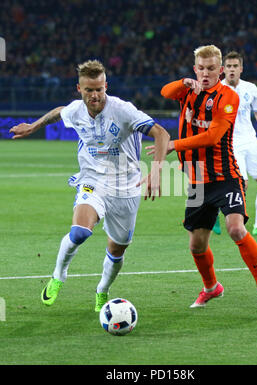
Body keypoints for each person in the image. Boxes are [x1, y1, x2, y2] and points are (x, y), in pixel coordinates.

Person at [10, 59, 170, 312]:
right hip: (92, 180)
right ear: (79, 89)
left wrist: (158, 170)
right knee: (80, 232)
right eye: (89, 90)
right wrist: (33, 126)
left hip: (126, 186)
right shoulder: (76, 110)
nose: (95, 95)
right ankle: (58, 276)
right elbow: (59, 111)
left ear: (106, 85)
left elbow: (161, 133)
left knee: (117, 249)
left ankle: (102, 291)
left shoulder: (124, 110)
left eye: (99, 89)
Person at [148, 45, 257, 308]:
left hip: (225, 174)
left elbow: (212, 137)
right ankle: (212, 288)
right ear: (195, 69)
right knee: (196, 245)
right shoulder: (188, 90)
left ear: (220, 70)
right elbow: (165, 92)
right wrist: (182, 82)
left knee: (235, 228)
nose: (205, 74)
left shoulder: (228, 97)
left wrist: (174, 144)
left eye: (211, 69)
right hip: (197, 179)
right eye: (201, 69)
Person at [218, 51, 257, 237]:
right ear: (223, 69)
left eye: (235, 66)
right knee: (241, 184)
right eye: (228, 66)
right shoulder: (216, 90)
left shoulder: (250, 88)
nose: (232, 70)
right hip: (230, 143)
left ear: (241, 69)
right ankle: (233, 222)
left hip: (250, 141)